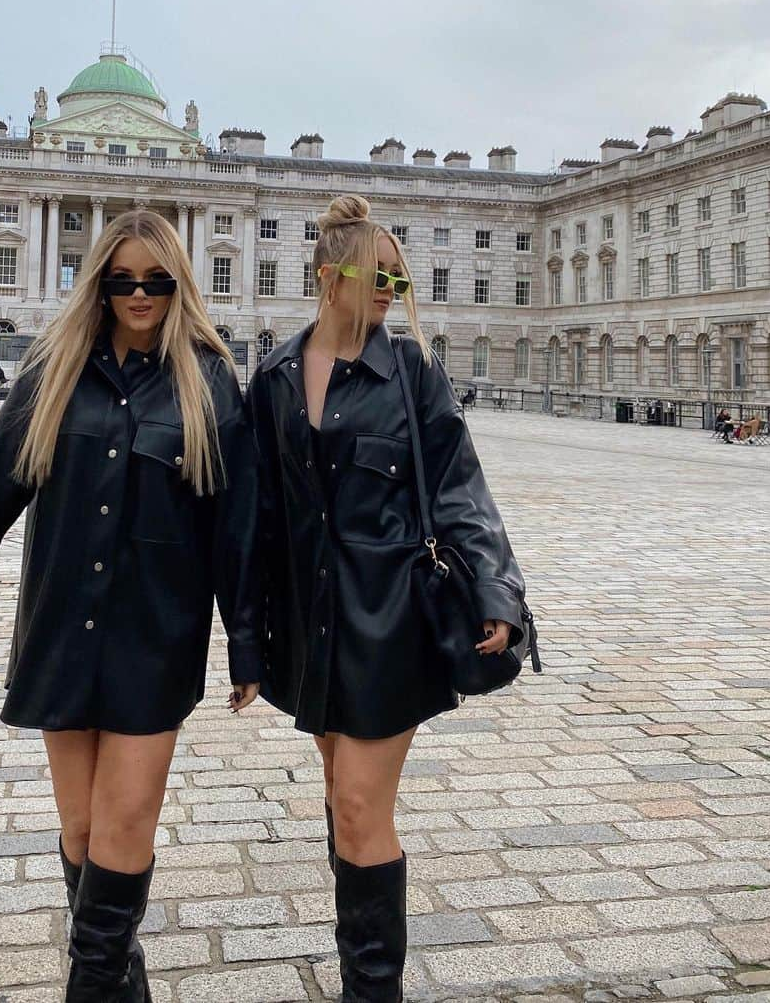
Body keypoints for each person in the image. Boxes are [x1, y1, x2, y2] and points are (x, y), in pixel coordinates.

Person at [0, 209, 261, 1001]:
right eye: (122, 280)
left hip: (154, 641)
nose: (138, 294)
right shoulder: (54, 369)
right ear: (99, 282)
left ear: (177, 283)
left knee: (124, 830)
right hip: (62, 629)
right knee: (85, 837)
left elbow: (238, 530)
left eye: (155, 281)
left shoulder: (210, 380)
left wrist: (249, 645)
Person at [248, 194, 528, 1002]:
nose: (389, 291)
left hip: (390, 621)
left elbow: (460, 489)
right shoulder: (269, 377)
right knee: (343, 801)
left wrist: (497, 590)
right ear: (329, 275)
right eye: (377, 275)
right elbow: (255, 518)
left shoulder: (412, 373)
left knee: (363, 803)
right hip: (310, 626)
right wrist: (245, 638)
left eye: (397, 280)